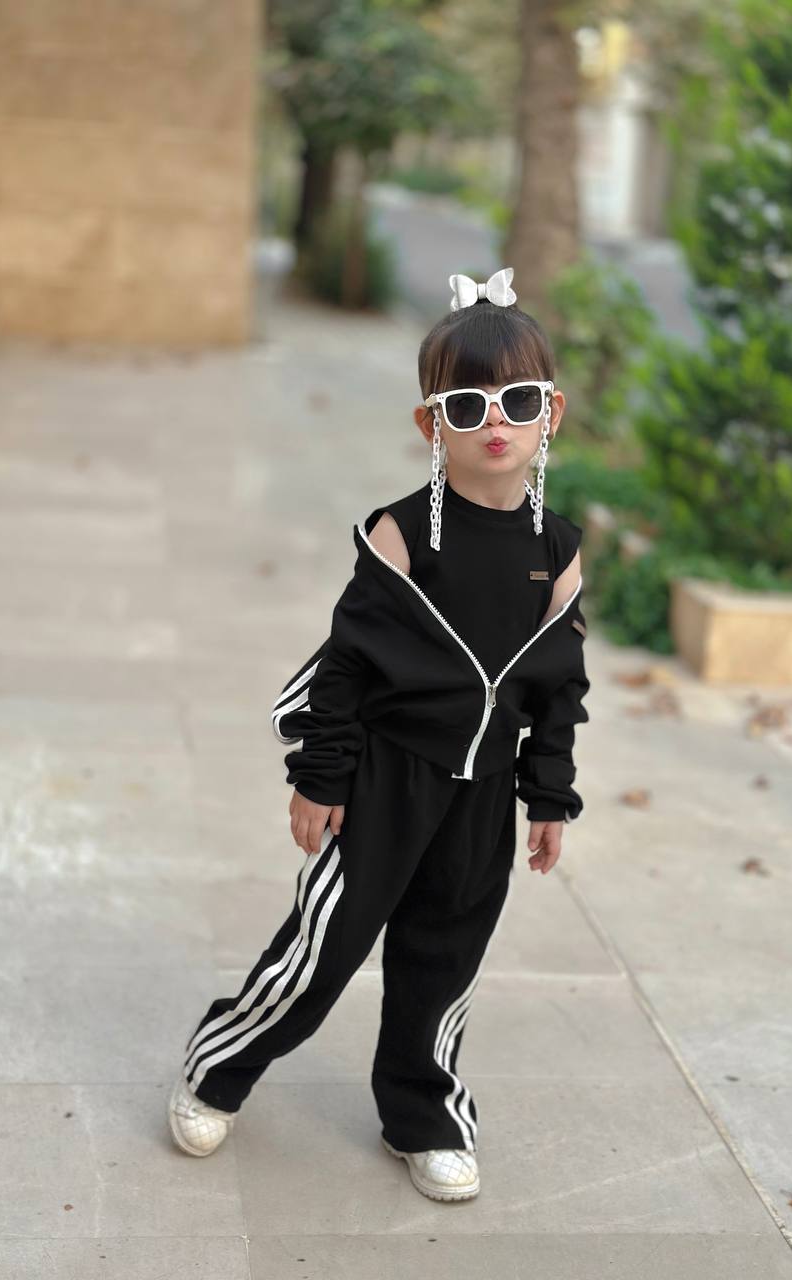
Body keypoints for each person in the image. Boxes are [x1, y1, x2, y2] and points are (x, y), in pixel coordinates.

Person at [168, 266, 591, 1203]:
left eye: (518, 401)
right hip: (387, 781)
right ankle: (218, 1067)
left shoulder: (557, 551)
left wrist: (549, 795)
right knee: (320, 953)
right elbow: (348, 664)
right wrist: (321, 777)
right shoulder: (404, 535)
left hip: (483, 793)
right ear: (431, 424)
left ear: (550, 414)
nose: (495, 422)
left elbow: (558, 686)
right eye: (466, 404)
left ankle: (424, 1117)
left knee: (444, 960)